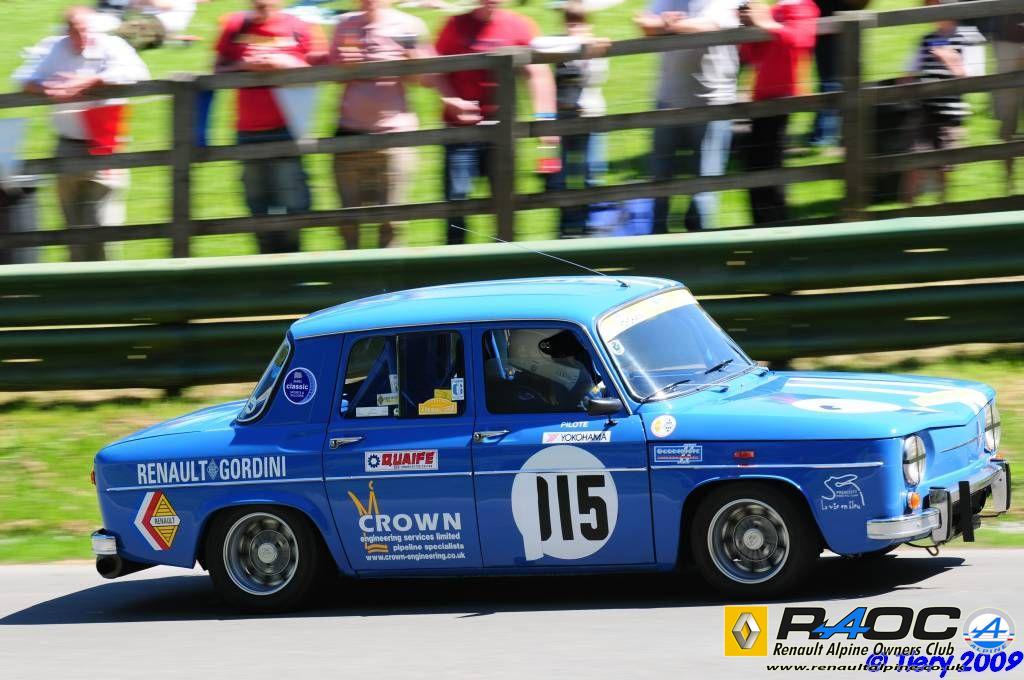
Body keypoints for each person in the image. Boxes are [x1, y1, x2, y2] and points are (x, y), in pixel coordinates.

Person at [20, 6, 149, 261]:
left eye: (87, 30)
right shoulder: (54, 48)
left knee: (103, 225)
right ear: (67, 31)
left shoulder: (112, 46)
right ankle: (78, 279)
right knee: (72, 226)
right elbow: (24, 79)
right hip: (67, 146)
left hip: (105, 144)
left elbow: (138, 75)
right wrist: (49, 88)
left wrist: (91, 81)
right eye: (76, 31)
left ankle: (106, 278)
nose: (83, 37)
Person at [434, 0, 558, 244]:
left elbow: (538, 74)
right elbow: (436, 70)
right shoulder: (455, 25)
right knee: (457, 200)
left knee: (504, 201)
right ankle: (456, 258)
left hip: (502, 132)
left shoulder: (518, 26)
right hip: (460, 133)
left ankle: (504, 257)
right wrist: (452, 101)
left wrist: (545, 120)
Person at [214, 0, 323, 254]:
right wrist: (244, 66)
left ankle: (292, 262)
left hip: (287, 127)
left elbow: (322, 70)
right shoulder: (234, 26)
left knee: (294, 202)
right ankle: (266, 264)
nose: (263, 4)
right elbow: (216, 70)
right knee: (257, 204)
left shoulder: (299, 26)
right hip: (247, 131)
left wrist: (285, 64)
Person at [330, 0, 429, 250]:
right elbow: (331, 73)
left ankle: (390, 274)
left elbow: (426, 79)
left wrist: (413, 61)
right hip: (349, 134)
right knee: (348, 221)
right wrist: (342, 66)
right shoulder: (344, 24)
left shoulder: (409, 24)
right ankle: (352, 272)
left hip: (395, 136)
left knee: (391, 221)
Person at [634, 0, 740, 233]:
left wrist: (668, 24)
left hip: (712, 103)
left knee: (704, 187)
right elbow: (644, 23)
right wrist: (664, 24)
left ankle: (701, 244)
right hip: (667, 101)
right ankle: (656, 243)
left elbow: (710, 26)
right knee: (659, 182)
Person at [739, 0, 819, 224]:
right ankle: (764, 221)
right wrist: (749, 26)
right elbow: (752, 55)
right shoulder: (775, 11)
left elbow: (800, 39)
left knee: (770, 163)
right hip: (761, 96)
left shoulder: (803, 8)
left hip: (782, 97)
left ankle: (775, 222)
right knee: (756, 163)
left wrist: (766, 23)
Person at [902, 0, 985, 203]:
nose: (931, 9)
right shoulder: (926, 39)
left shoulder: (969, 37)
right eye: (929, 5)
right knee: (914, 160)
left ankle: (942, 206)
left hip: (950, 113)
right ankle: (907, 209)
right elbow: (909, 72)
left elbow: (975, 75)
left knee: (944, 166)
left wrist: (951, 61)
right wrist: (908, 81)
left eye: (935, 4)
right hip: (925, 109)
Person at [543, 1, 610, 238]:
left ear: (588, 25)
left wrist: (587, 52)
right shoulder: (558, 45)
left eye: (579, 23)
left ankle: (592, 226)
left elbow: (595, 78)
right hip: (563, 118)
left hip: (590, 116)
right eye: (570, 23)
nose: (574, 28)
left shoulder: (596, 48)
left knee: (591, 172)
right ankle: (566, 228)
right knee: (561, 176)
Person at [991, 12, 1023, 192]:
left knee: (1009, 121)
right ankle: (1009, 183)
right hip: (1007, 44)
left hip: (1006, 43)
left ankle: (1009, 184)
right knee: (1008, 121)